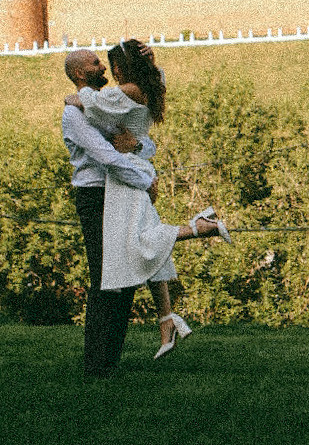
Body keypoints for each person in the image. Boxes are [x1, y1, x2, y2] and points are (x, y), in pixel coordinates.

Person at [62, 47, 227, 376]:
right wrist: (145, 178)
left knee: (123, 279)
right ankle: (97, 365)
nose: (103, 66)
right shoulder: (76, 113)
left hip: (120, 189)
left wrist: (151, 63)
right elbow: (104, 156)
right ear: (81, 74)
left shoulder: (106, 105)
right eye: (95, 63)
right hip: (96, 196)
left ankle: (110, 361)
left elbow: (140, 135)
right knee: (104, 280)